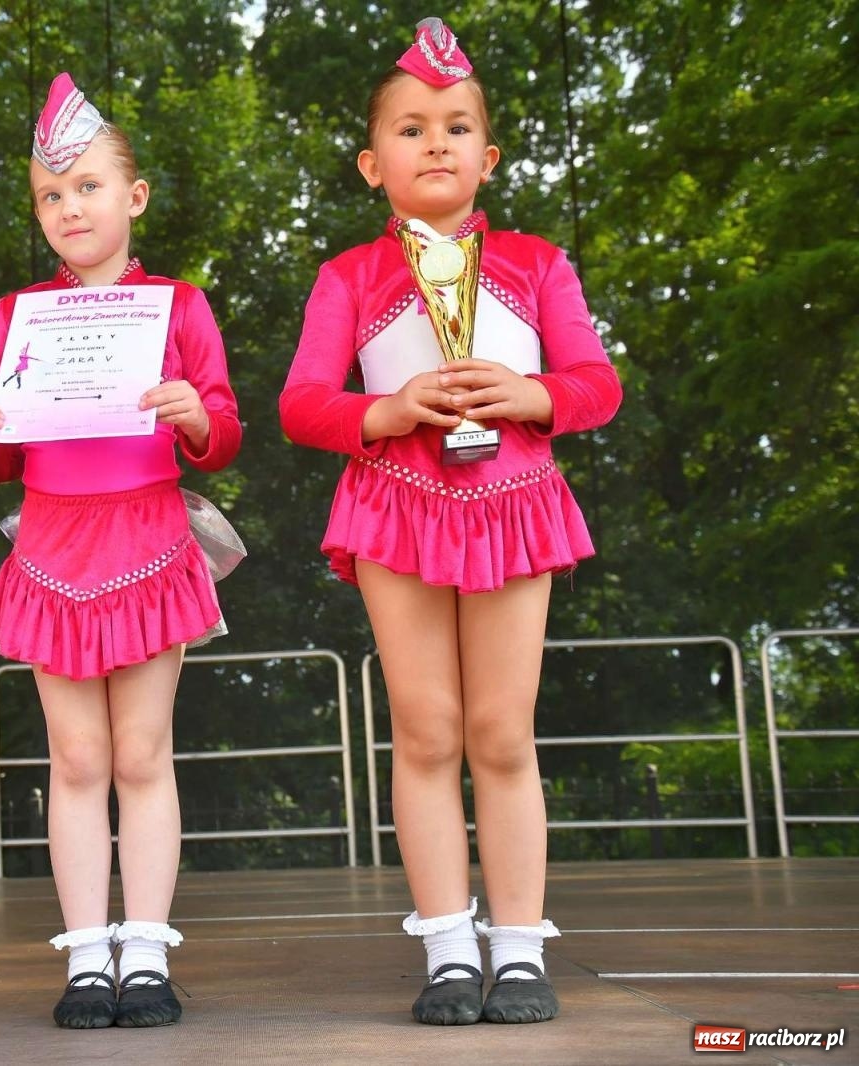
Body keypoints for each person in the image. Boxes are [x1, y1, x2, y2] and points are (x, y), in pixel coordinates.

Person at [279, 18, 623, 1025]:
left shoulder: (538, 261)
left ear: (489, 156)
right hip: (395, 506)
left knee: (501, 733)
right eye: (411, 128)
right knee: (426, 731)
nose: (436, 142)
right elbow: (302, 404)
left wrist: (532, 394)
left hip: (514, 505)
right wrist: (384, 412)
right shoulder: (348, 275)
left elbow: (597, 384)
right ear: (371, 164)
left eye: (457, 126)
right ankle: (447, 950)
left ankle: (517, 950)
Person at [0, 73, 241, 1029]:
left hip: (149, 537)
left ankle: (146, 954)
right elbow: (2, 459)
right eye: (51, 194)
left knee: (142, 753)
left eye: (87, 186)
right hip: (50, 545)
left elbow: (224, 431)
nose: (69, 206)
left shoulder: (181, 306)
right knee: (75, 758)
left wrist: (197, 416)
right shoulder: (17, 315)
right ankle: (86, 958)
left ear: (134, 196)